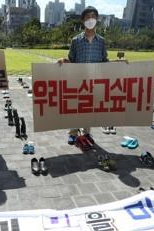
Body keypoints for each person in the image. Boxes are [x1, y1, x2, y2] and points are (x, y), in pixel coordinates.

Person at [57, 6, 118, 144]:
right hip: (78, 79)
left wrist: (119, 63)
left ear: (97, 20)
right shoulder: (76, 41)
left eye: (93, 17)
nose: (91, 19)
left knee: (89, 107)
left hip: (94, 81)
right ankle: (73, 132)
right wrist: (63, 60)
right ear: (83, 20)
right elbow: (71, 60)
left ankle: (86, 133)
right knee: (76, 107)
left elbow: (104, 61)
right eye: (87, 17)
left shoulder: (101, 41)